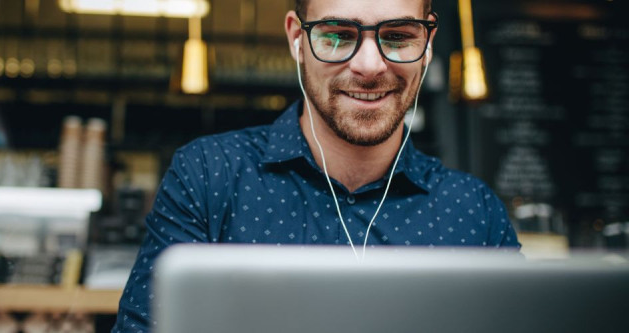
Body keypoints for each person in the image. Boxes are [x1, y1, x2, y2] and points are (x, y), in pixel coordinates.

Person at [111, 0, 520, 331]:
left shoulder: (474, 212)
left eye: (397, 37)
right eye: (339, 36)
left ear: (428, 43)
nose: (370, 65)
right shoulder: (208, 176)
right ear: (297, 39)